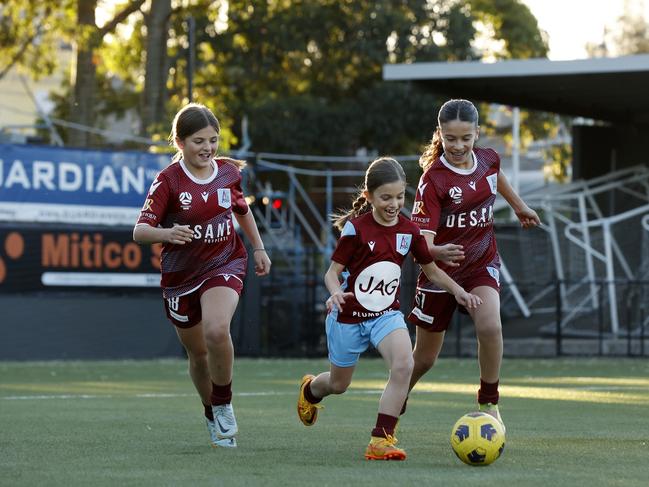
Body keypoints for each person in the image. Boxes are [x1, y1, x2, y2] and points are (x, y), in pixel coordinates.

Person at [296, 157, 482, 461]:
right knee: (339, 384)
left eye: (399, 196)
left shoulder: (409, 231)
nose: (394, 203)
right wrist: (334, 294)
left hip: (386, 315)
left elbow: (432, 271)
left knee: (404, 365)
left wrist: (460, 291)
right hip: (348, 317)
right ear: (369, 197)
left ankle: (380, 440)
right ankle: (310, 391)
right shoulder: (355, 230)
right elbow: (331, 273)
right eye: (386, 197)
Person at [133, 103, 271, 449]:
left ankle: (223, 402)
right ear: (179, 143)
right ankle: (211, 411)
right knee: (198, 355)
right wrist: (168, 234)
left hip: (225, 262)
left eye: (213, 140)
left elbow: (242, 210)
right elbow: (140, 231)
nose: (207, 148)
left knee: (216, 328)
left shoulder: (227, 173)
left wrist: (258, 247)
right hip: (181, 277)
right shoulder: (168, 180)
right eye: (198, 141)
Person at [406, 99, 541, 430]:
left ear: (476, 134)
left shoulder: (488, 159)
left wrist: (520, 206)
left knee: (490, 326)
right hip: (439, 273)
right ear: (440, 134)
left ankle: (488, 401)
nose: (458, 145)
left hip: (481, 264)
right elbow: (421, 243)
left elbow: (497, 178)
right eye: (450, 138)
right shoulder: (433, 180)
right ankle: (396, 395)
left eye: (466, 138)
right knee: (424, 359)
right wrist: (438, 251)